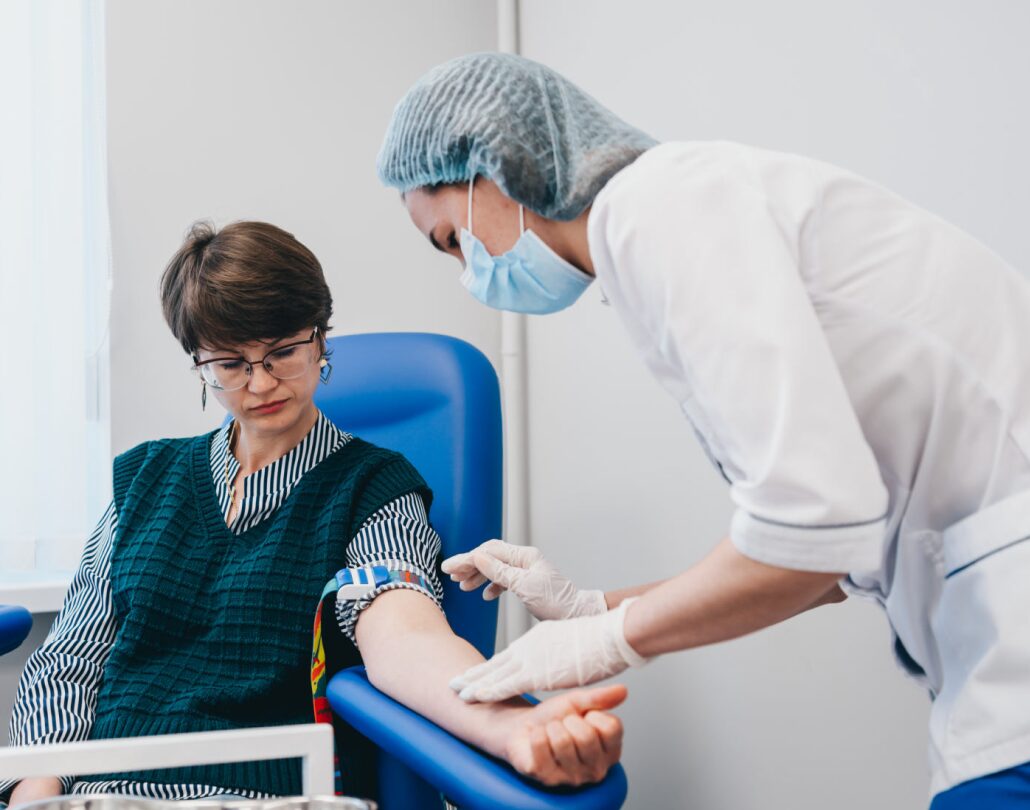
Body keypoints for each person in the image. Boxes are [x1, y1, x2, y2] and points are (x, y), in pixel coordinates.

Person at [375, 52, 1030, 807]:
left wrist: (612, 639)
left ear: (495, 165)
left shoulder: (659, 210)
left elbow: (812, 533)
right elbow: (832, 559)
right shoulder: (673, 217)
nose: (470, 269)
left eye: (452, 238)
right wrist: (596, 609)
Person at [0, 221, 625, 808]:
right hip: (102, 791)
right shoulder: (143, 478)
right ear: (199, 364)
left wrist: (515, 726)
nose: (261, 383)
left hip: (261, 793)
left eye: (282, 352)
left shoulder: (373, 487)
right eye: (231, 364)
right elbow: (70, 662)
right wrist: (35, 789)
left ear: (321, 337)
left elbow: (405, 636)